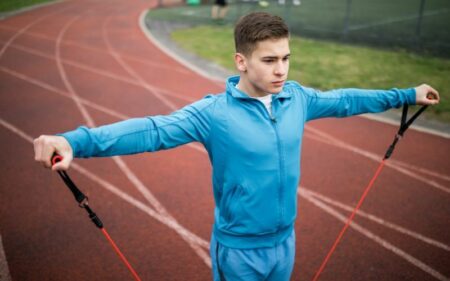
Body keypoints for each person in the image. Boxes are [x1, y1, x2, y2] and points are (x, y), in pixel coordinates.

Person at [34, 12, 439, 281]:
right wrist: (74, 141)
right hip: (239, 251)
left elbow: (346, 99)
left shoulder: (297, 98)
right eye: (269, 60)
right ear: (241, 62)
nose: (281, 69)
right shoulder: (214, 114)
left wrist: (406, 93)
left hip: (285, 242)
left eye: (286, 58)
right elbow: (152, 130)